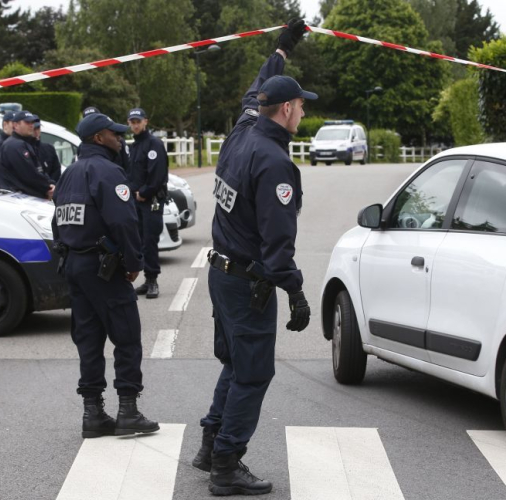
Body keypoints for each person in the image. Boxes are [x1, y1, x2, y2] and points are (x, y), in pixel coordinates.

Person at [191, 19, 312, 496]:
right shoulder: (275, 163)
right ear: (286, 110)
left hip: (222, 276)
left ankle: (209, 443)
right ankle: (226, 463)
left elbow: (255, 87)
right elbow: (278, 247)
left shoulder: (242, 131)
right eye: (301, 106)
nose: (303, 113)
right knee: (254, 372)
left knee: (236, 365)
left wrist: (283, 48)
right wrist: (297, 292)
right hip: (248, 284)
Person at [53, 112, 159, 439]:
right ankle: (128, 411)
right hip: (104, 268)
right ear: (99, 138)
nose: (120, 138)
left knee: (88, 339)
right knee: (126, 336)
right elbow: (124, 222)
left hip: (76, 266)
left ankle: (93, 414)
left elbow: (58, 221)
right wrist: (133, 262)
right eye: (114, 134)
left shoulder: (69, 173)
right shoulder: (108, 172)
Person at [126, 108, 168, 299]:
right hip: (135, 202)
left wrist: (144, 192)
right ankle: (146, 278)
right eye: (132, 122)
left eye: (138, 121)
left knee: (150, 240)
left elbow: (157, 175)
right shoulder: (134, 146)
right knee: (140, 241)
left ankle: (152, 280)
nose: (135, 125)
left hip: (150, 201)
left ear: (146, 122)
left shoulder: (154, 144)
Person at [0, 111, 55, 200]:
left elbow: (39, 168)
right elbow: (29, 174)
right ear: (16, 125)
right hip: (17, 200)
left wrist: (50, 183)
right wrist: (47, 187)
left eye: (32, 122)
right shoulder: (14, 145)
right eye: (27, 122)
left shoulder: (26, 143)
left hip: (26, 198)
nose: (31, 125)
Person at [32, 118, 62, 182]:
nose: (36, 132)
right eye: (34, 129)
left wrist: (51, 185)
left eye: (38, 128)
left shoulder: (49, 149)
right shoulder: (24, 149)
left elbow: (56, 171)